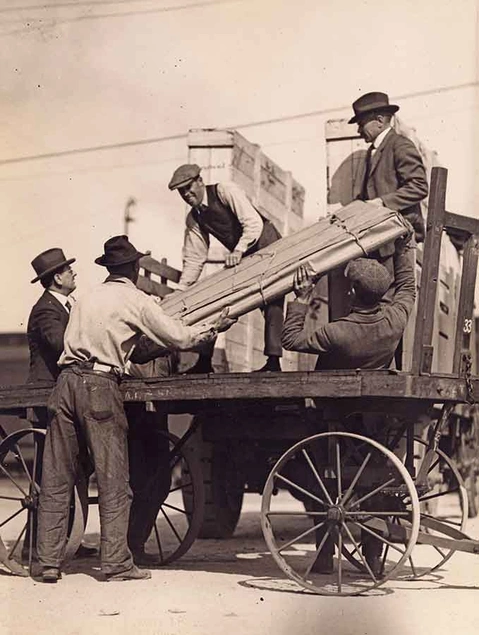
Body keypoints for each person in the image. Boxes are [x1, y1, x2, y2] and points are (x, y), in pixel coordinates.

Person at [36, 235, 235, 583]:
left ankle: (48, 563)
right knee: (114, 480)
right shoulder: (136, 300)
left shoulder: (85, 299)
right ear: (135, 267)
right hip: (99, 386)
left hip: (65, 385)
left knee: (57, 478)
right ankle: (115, 563)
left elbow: (124, 346)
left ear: (108, 267)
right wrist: (212, 329)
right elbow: (179, 339)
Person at [281, 232, 416, 574]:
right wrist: (405, 246)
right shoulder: (395, 319)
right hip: (377, 425)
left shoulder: (337, 332)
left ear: (353, 292)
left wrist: (300, 298)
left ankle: (325, 555)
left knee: (321, 480)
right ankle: (372, 558)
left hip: (337, 424)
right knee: (376, 483)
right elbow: (408, 287)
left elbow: (291, 339)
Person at [168, 163, 284, 373]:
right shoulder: (194, 218)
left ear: (200, 181)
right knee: (217, 302)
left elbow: (253, 223)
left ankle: (274, 363)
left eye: (189, 187)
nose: (186, 194)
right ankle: (204, 362)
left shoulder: (224, 191)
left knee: (272, 301)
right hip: (243, 255)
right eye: (181, 191)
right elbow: (195, 258)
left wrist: (238, 250)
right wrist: (180, 290)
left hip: (267, 245)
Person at [26, 248, 96, 562]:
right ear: (57, 277)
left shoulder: (63, 307)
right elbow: (61, 345)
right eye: (69, 270)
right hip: (47, 396)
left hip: (62, 394)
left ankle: (68, 539)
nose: (74, 274)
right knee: (48, 475)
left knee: (68, 469)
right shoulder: (46, 310)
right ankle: (36, 546)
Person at [349, 91, 428, 244]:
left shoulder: (400, 145)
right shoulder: (373, 151)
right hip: (382, 235)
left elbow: (419, 186)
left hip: (401, 236)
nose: (358, 131)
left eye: (360, 124)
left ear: (379, 120)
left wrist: (382, 202)